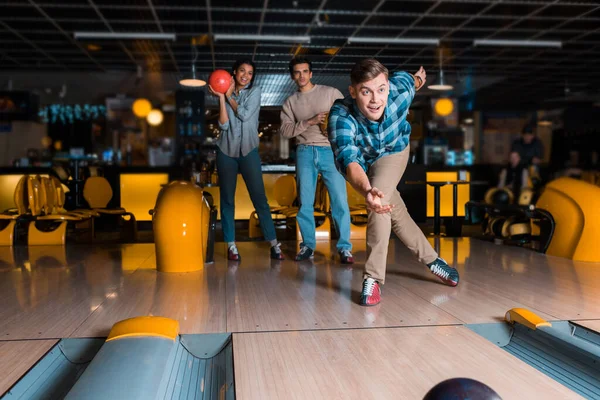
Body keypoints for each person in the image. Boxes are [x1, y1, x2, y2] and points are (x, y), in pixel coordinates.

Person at [328, 58, 459, 306]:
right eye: (366, 91)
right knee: (390, 208)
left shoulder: (400, 92)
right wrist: (367, 189)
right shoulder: (341, 116)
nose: (375, 99)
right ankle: (433, 260)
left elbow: (414, 81)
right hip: (363, 165)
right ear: (353, 91)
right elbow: (349, 159)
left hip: (394, 152)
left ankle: (373, 278)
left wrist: (419, 77)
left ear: (388, 86)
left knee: (380, 202)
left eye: (380, 89)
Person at [208, 59, 284, 261]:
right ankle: (231, 245)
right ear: (234, 72)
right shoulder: (225, 95)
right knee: (227, 200)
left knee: (259, 198)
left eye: (250, 73)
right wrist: (222, 99)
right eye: (242, 71)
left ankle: (274, 244)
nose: (246, 76)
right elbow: (223, 126)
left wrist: (229, 96)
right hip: (226, 151)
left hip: (249, 151)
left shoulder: (254, 92)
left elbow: (243, 115)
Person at [280, 57, 353, 263]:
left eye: (305, 71)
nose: (301, 76)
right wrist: (309, 122)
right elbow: (285, 131)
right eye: (297, 72)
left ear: (311, 74)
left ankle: (345, 248)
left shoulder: (330, 93)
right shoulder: (290, 102)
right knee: (305, 203)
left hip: (330, 151)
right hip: (304, 152)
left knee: (339, 200)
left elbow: (347, 118)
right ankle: (308, 246)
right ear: (293, 76)